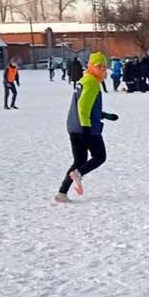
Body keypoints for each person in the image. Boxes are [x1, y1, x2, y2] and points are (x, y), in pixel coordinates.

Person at [54, 52, 118, 203]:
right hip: (85, 127)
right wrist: (86, 128)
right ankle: (79, 174)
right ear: (90, 66)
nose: (102, 70)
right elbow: (82, 107)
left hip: (73, 125)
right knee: (99, 156)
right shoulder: (92, 83)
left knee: (79, 161)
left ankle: (62, 193)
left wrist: (104, 115)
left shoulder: (84, 80)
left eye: (104, 66)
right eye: (98, 66)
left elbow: (87, 107)